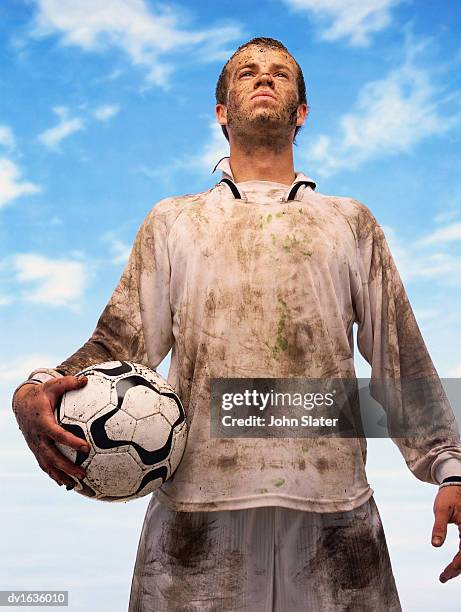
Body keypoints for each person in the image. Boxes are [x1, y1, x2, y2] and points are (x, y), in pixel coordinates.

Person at [12, 36, 461, 611]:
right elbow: (117, 347)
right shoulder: (174, 221)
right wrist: (34, 388)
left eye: (279, 72)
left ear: (301, 113)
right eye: (247, 72)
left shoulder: (349, 222)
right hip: (197, 520)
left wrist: (450, 468)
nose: (264, 77)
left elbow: (401, 357)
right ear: (223, 112)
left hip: (334, 515)